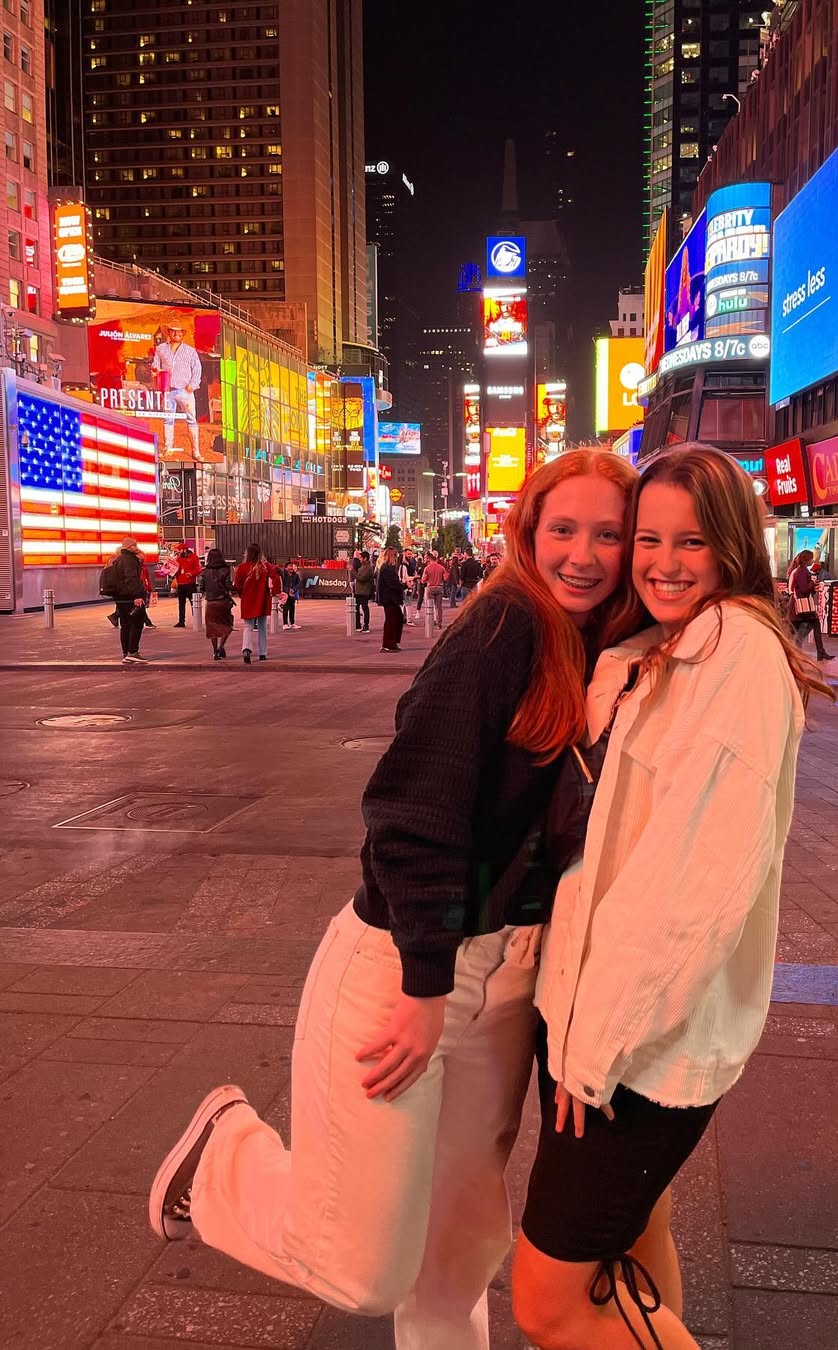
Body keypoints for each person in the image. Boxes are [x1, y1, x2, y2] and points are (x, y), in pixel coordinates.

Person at [148, 449, 640, 1350]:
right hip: (406, 969)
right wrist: (425, 986)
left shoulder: (591, 642)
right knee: (362, 1268)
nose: (584, 554)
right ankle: (223, 1155)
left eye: (608, 534)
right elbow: (410, 814)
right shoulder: (504, 628)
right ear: (527, 531)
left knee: (458, 1254)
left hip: (507, 974)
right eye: (564, 529)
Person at [512, 445, 830, 1350]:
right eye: (647, 539)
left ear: (733, 545)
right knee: (629, 1242)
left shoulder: (736, 657)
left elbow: (693, 884)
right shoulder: (665, 649)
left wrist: (595, 1049)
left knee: (548, 1300)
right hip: (597, 1014)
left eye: (690, 542)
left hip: (632, 1044)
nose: (662, 562)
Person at [152, 321, 202, 456]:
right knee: (168, 419)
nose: (176, 333)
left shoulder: (190, 351)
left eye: (179, 331)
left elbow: (197, 368)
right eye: (173, 330)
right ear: (169, 332)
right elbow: (155, 365)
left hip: (185, 390)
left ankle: (195, 451)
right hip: (168, 390)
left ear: (183, 334)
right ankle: (168, 448)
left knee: (191, 419)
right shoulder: (161, 348)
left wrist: (193, 385)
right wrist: (157, 373)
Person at [100, 536, 150, 664]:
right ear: (129, 547)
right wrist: (137, 596)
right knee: (136, 624)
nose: (136, 547)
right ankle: (133, 652)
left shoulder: (119, 559)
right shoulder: (129, 560)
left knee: (125, 625)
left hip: (121, 598)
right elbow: (131, 578)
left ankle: (126, 652)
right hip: (130, 598)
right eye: (134, 545)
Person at [233, 543, 280, 664]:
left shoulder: (242, 567)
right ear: (260, 554)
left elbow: (237, 585)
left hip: (248, 600)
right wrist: (274, 592)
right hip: (262, 599)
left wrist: (241, 594)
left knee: (248, 626)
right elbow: (276, 578)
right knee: (262, 626)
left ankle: (246, 650)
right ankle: (262, 652)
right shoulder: (265, 566)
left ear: (247, 554)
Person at [788, 549, 828, 660]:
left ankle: (797, 650)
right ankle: (817, 651)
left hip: (798, 604)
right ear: (807, 560)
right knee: (812, 624)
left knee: (796, 627)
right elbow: (804, 589)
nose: (813, 561)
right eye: (811, 558)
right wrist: (813, 583)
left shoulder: (798, 571)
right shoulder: (802, 571)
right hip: (801, 603)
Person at [199, 549, 234, 661]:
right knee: (227, 625)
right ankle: (221, 646)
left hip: (211, 602)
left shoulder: (205, 571)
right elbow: (228, 586)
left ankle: (215, 651)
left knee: (212, 627)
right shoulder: (226, 569)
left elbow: (201, 587)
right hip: (223, 601)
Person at [376, 546, 406, 652]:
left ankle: (392, 642)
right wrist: (404, 585)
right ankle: (388, 644)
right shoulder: (387, 568)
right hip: (389, 599)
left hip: (389, 598)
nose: (397, 558)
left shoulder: (386, 568)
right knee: (392, 620)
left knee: (396, 618)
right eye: (395, 555)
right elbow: (392, 584)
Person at [174, 547, 201, 628]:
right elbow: (176, 570)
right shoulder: (178, 559)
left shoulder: (194, 557)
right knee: (181, 603)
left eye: (179, 550)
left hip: (190, 584)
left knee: (194, 603)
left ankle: (196, 620)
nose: (178, 552)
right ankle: (181, 621)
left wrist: (191, 573)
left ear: (184, 550)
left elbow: (198, 569)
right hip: (180, 584)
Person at [421, 551, 449, 629]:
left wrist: (428, 579)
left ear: (430, 560)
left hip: (430, 588)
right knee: (439, 606)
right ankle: (439, 623)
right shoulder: (442, 568)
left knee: (430, 606)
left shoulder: (427, 568)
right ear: (436, 560)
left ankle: (430, 622)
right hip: (439, 588)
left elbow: (423, 580)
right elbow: (445, 579)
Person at [351, 550, 374, 633]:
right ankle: (358, 625)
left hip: (364, 591)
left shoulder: (368, 568)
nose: (359, 559)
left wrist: (353, 571)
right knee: (356, 608)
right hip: (359, 590)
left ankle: (366, 626)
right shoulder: (362, 566)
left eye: (361, 558)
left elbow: (362, 578)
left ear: (365, 558)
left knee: (365, 608)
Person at [281, 561, 302, 630]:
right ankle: (285, 624)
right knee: (285, 608)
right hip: (285, 594)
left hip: (292, 594)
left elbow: (299, 584)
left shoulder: (295, 575)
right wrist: (288, 590)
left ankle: (292, 623)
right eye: (290, 566)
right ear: (286, 567)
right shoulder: (283, 575)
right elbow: (281, 584)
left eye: (292, 566)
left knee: (292, 608)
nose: (291, 568)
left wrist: (293, 589)